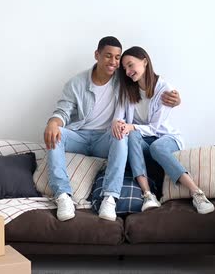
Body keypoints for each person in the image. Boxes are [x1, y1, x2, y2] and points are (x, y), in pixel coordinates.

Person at [44, 37, 181, 222]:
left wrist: (175, 99)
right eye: (108, 56)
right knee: (55, 135)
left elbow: (151, 84)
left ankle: (110, 198)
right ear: (97, 55)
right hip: (80, 136)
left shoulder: (124, 79)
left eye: (117, 58)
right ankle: (62, 196)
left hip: (105, 139)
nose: (114, 62)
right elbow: (63, 111)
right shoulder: (76, 83)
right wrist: (53, 122)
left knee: (122, 133)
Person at [112, 46, 215, 214]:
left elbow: (155, 128)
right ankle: (147, 195)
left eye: (131, 65)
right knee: (131, 136)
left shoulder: (165, 89)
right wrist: (118, 123)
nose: (128, 71)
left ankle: (197, 193)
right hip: (142, 141)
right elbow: (118, 117)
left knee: (156, 146)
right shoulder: (126, 91)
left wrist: (131, 126)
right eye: (124, 69)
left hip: (166, 138)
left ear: (145, 61)